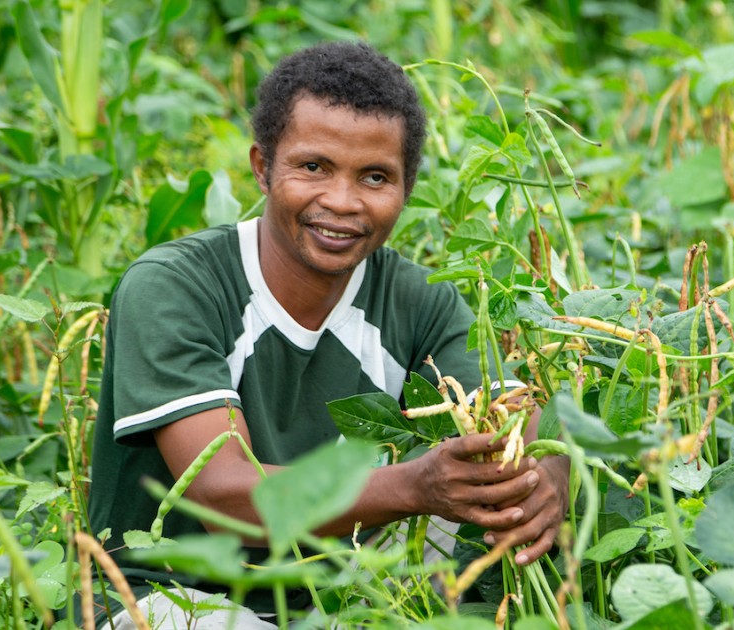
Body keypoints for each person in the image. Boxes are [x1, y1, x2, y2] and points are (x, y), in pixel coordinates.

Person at [86, 41, 569, 627]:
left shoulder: (420, 300)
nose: (341, 202)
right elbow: (223, 495)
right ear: (263, 167)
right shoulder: (174, 286)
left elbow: (512, 417)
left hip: (343, 595)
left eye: (374, 177)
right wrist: (415, 486)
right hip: (168, 595)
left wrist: (549, 474)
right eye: (313, 167)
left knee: (492, 485)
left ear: (406, 188)